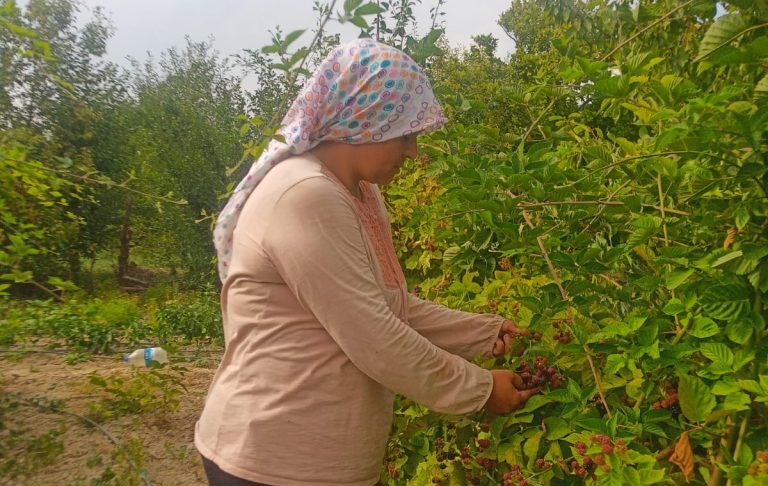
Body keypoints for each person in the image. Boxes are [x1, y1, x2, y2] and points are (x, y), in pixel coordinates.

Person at [195, 38, 538, 486]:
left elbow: (391, 306)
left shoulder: (359, 194)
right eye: (407, 134)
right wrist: (481, 389)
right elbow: (374, 337)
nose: (413, 151)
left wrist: (485, 331)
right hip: (275, 461)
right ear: (367, 119)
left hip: (318, 463)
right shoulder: (305, 195)